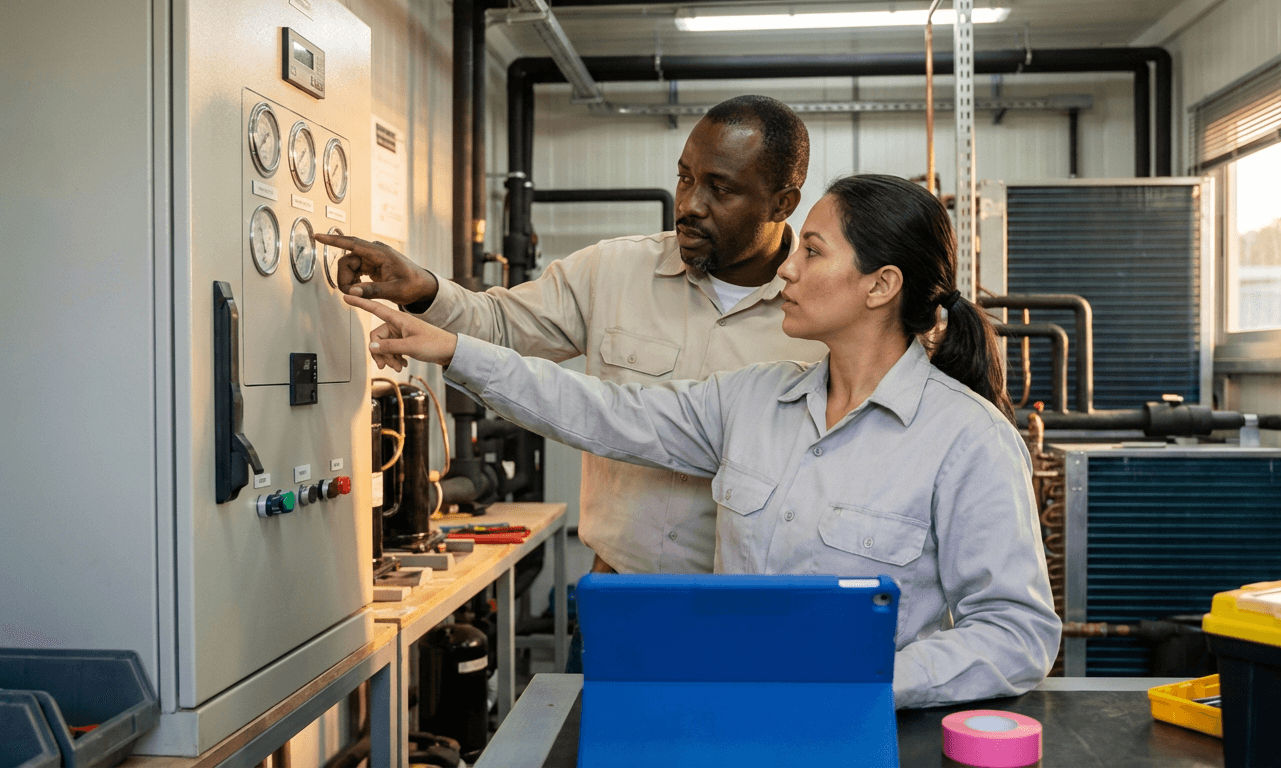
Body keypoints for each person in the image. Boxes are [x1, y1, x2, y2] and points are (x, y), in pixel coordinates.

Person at [341, 174, 1061, 707]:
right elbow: (599, 410)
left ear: (881, 286)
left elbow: (1017, 633)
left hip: (867, 732)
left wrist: (869, 682)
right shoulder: (754, 400)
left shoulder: (967, 440)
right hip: (730, 713)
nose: (787, 269)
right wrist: (454, 349)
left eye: (812, 252)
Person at [317, 95, 826, 579]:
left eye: (721, 188)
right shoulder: (614, 270)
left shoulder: (823, 318)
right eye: (684, 177)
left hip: (753, 602)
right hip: (621, 589)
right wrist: (425, 290)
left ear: (782, 203)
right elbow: (499, 326)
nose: (690, 203)